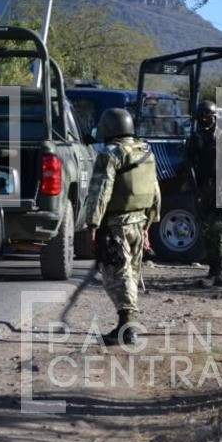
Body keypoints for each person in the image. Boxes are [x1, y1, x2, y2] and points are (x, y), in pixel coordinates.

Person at [84, 108, 161, 346]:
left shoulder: (111, 153)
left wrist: (92, 223)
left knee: (117, 275)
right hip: (139, 222)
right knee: (131, 273)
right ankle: (124, 325)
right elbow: (155, 189)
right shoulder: (145, 150)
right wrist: (149, 223)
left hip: (116, 224)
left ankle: (128, 328)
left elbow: (101, 189)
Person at [184, 100, 222, 286]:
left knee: (216, 230)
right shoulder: (194, 139)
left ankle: (219, 271)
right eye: (200, 117)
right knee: (206, 231)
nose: (203, 120)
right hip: (202, 189)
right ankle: (212, 269)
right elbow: (189, 165)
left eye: (206, 117)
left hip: (221, 187)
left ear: (213, 118)